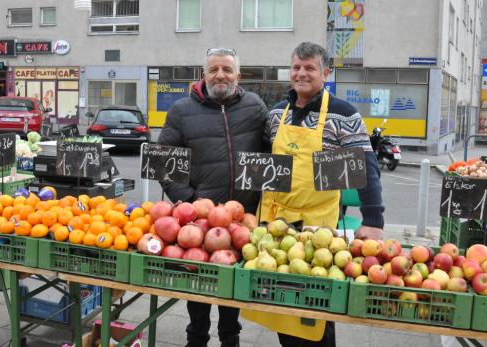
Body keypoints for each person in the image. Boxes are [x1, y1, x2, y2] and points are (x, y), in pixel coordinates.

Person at [256, 41, 385, 346]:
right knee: (280, 303)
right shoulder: (276, 114)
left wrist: (373, 219)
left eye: (310, 68)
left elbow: (366, 167)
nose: (302, 73)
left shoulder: (344, 114)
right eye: (297, 67)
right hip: (276, 224)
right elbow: (265, 164)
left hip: (319, 228)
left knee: (315, 308)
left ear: (325, 72)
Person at [157, 47, 269, 347]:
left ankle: (230, 339)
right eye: (214, 70)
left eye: (227, 70)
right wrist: (191, 203)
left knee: (233, 284)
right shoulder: (181, 111)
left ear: (238, 76)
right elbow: (163, 164)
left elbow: (271, 154)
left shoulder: (256, 107)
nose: (220, 75)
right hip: (200, 220)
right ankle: (196, 339)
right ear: (203, 75)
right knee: (199, 285)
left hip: (244, 217)